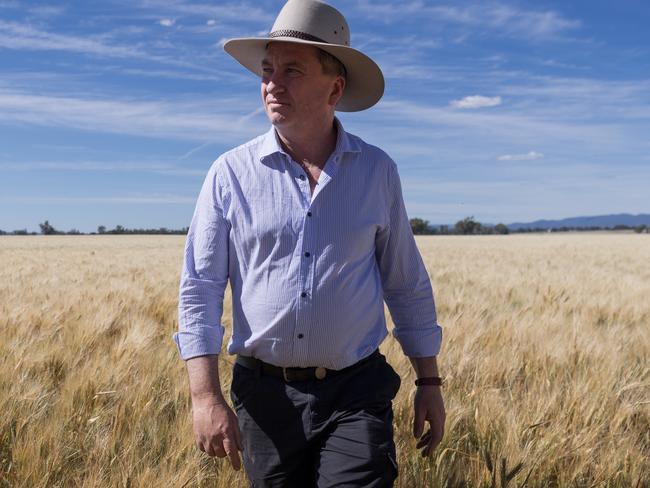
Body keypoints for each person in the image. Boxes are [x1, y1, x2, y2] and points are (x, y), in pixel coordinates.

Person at [173, 1, 445, 486]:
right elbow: (200, 288)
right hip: (264, 398)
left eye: (292, 71)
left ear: (334, 89)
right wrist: (204, 397)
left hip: (357, 391)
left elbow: (404, 281)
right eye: (267, 70)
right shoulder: (229, 174)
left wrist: (429, 381)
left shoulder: (377, 170)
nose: (273, 84)